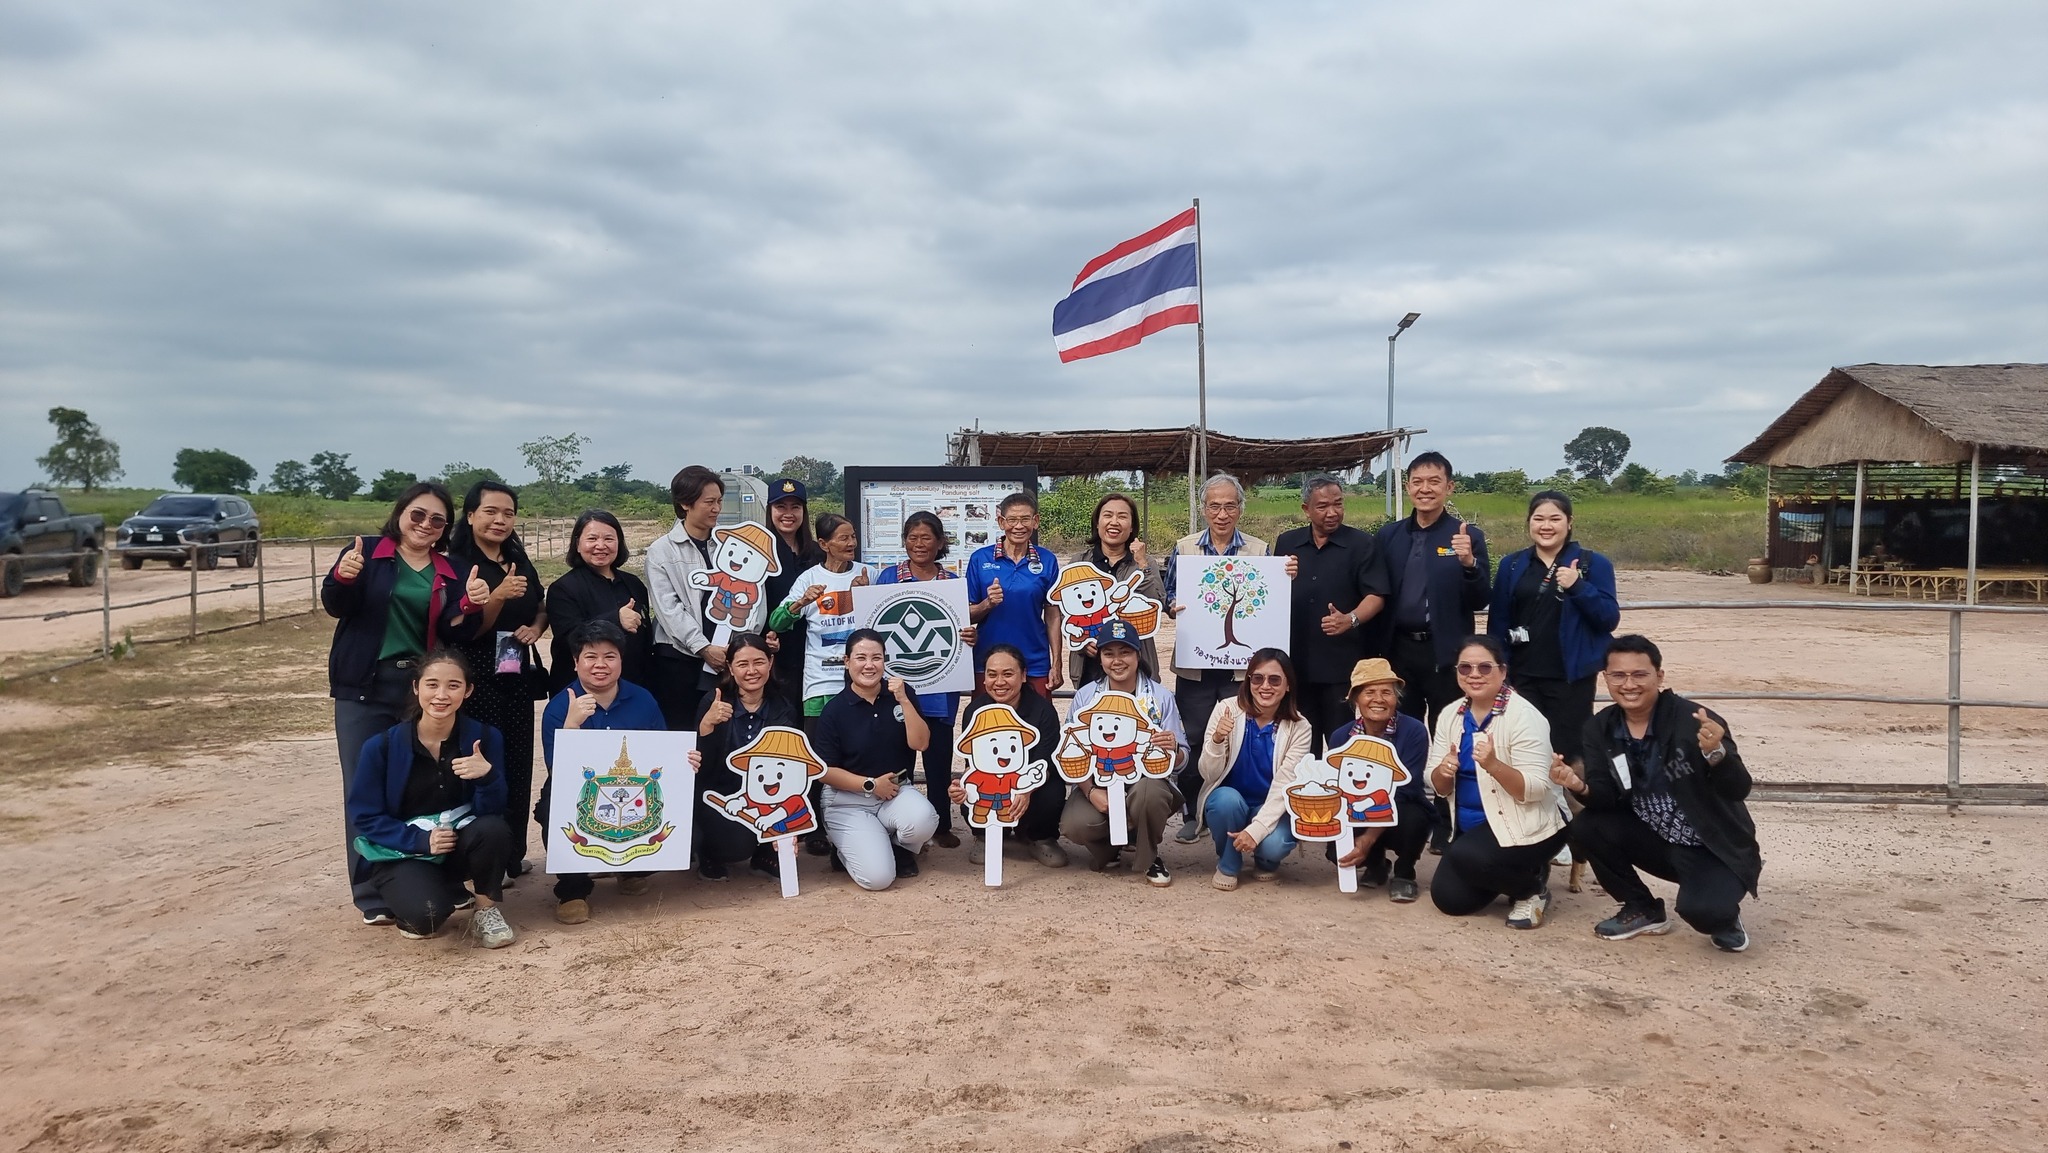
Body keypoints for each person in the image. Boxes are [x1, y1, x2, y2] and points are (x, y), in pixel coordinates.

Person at [324, 481, 486, 925]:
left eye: (437, 520)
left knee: (424, 784)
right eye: (418, 514)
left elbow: (455, 632)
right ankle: (370, 892)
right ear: (400, 513)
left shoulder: (451, 569)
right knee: (364, 784)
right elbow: (336, 605)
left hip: (421, 690)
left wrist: (470, 605)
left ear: (446, 528)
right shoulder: (367, 553)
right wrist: (343, 577)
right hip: (365, 685)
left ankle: (435, 878)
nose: (425, 524)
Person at [1553, 635, 1761, 952]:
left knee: (1703, 912)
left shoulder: (1696, 721)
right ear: (1605, 677)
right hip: (1655, 839)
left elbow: (1738, 789)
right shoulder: (1600, 727)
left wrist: (1717, 754)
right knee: (1586, 826)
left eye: (1640, 674)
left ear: (1659, 676)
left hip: (1713, 846)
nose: (1629, 684)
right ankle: (1642, 908)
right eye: (1618, 675)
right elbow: (1605, 798)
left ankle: (1724, 916)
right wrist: (1578, 786)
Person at [346, 649, 515, 947]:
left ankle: (485, 910)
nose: (441, 695)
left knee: (494, 829)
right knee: (427, 919)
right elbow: (365, 815)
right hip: (405, 852)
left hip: (459, 846)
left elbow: (493, 811)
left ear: (468, 691)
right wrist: (420, 841)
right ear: (416, 687)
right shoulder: (381, 747)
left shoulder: (486, 738)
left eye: (453, 686)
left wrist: (487, 777)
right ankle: (421, 891)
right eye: (432, 684)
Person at [1163, 473, 1296, 844]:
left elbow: (1272, 600)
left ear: (1240, 508)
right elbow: (1170, 594)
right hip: (1195, 664)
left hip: (1243, 669)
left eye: (1229, 506)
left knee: (1240, 734)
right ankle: (1194, 815)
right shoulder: (1184, 548)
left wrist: (1287, 577)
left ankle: (1235, 809)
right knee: (1193, 736)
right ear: (1203, 509)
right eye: (1214, 506)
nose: (1222, 514)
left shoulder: (1260, 550)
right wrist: (1173, 605)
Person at [1425, 636, 1570, 929]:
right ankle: (1511, 871)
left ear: (1503, 671)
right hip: (1471, 831)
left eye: (1484, 667)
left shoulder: (1525, 717)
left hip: (1527, 823)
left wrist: (1494, 766)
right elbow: (1438, 786)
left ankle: (1531, 889)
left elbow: (1535, 789)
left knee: (1467, 855)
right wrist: (1443, 771)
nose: (1474, 675)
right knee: (1449, 899)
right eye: (1465, 668)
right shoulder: (1451, 714)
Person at [446, 480, 547, 884]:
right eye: (490, 511)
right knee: (485, 762)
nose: (500, 520)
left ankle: (512, 854)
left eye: (508, 513)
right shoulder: (457, 565)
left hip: (515, 672)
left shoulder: (518, 558)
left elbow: (541, 604)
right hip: (476, 676)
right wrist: (498, 595)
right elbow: (469, 629)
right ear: (471, 515)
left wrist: (536, 628)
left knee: (519, 763)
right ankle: (484, 859)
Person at [537, 619, 668, 924]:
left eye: (610, 656)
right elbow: (558, 771)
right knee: (550, 808)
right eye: (590, 657)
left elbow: (663, 755)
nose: (600, 665)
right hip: (579, 788)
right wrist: (571, 726)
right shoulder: (559, 707)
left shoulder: (643, 699)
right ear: (575, 662)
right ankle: (573, 890)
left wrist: (685, 760)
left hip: (633, 788)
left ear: (621, 660)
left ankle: (631, 870)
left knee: (663, 805)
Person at [1488, 490, 1620, 769]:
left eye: (1554, 519)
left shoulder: (1593, 564)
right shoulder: (1512, 565)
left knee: (1570, 753)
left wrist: (1578, 586)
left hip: (1572, 678)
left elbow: (1608, 619)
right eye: (1538, 519)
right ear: (1529, 522)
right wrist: (1500, 670)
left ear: (1569, 522)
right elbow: (1498, 623)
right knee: (1524, 750)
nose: (1546, 526)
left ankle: (1575, 798)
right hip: (1522, 677)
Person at [875, 510, 977, 849]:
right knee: (897, 758)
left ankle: (941, 823)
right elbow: (874, 625)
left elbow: (959, 630)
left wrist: (969, 636)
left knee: (938, 759)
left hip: (940, 686)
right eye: (912, 537)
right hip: (896, 686)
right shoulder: (887, 578)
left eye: (926, 538)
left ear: (940, 542)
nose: (919, 544)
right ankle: (897, 825)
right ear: (904, 540)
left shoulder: (952, 582)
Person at [1061, 619, 1189, 886]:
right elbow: (1071, 751)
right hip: (1100, 781)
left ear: (1138, 655)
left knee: (1149, 794)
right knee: (1074, 824)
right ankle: (1110, 849)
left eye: (1125, 652)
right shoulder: (1086, 696)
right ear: (1100, 659)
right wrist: (1090, 791)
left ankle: (1148, 857)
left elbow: (1182, 760)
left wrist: (1174, 749)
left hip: (1146, 783)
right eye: (1109, 653)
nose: (1117, 661)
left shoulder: (1160, 697)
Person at [810, 630, 939, 890]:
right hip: (848, 800)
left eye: (876, 658)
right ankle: (844, 850)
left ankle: (898, 846)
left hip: (896, 790)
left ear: (884, 660)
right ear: (847, 662)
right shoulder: (834, 710)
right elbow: (825, 771)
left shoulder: (902, 694)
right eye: (861, 658)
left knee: (924, 820)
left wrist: (903, 700)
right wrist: (870, 784)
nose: (869, 665)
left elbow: (921, 743)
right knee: (878, 879)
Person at [1369, 453, 1491, 727]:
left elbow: (1480, 599)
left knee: (1449, 730)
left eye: (1434, 482)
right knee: (1400, 730)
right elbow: (1377, 592)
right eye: (1417, 482)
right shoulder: (1389, 536)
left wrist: (1469, 564)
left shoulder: (1467, 537)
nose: (1425, 489)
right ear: (1407, 486)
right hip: (1398, 652)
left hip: (1446, 652)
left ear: (1449, 487)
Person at [1276, 475, 1391, 752]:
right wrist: (1282, 575)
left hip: (1341, 665)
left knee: (1342, 742)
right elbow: (1271, 590)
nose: (1332, 512)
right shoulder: (1287, 543)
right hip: (1296, 663)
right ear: (1306, 509)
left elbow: (1377, 595)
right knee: (1302, 745)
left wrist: (1350, 619)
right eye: (1323, 506)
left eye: (1338, 504)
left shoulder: (1362, 544)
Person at [1191, 648, 1313, 890]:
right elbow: (1208, 774)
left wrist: (1256, 831)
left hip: (1270, 805)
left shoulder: (1300, 727)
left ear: (1288, 685)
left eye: (1274, 680)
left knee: (1275, 844)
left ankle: (1266, 860)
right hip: (1232, 803)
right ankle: (1228, 863)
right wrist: (1216, 741)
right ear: (1248, 681)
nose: (1265, 686)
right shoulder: (1227, 710)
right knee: (1225, 801)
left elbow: (1285, 785)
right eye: (1257, 678)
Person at [690, 632, 802, 881]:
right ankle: (708, 854)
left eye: (759, 662)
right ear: (730, 668)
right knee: (735, 846)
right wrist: (706, 726)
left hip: (766, 795)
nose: (752, 671)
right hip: (719, 794)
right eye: (742, 664)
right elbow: (698, 768)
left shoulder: (783, 707)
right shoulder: (714, 701)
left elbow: (790, 767)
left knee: (793, 814)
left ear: (770, 663)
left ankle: (764, 854)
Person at [645, 465, 749, 731]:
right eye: (709, 502)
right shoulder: (661, 551)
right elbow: (668, 609)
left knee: (721, 730)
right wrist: (702, 647)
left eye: (719, 501)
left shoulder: (730, 547)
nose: (717, 508)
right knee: (682, 731)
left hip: (723, 657)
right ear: (685, 504)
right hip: (678, 659)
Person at [950, 643, 1068, 869]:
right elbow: (972, 764)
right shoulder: (975, 711)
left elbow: (1046, 761)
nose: (999, 682)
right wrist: (962, 787)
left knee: (1052, 790)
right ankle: (985, 836)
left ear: (1023, 675)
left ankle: (1040, 837)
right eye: (992, 674)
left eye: (1007, 674)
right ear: (984, 678)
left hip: (1030, 782)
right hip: (991, 783)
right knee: (969, 788)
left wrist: (1026, 789)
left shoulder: (1042, 710)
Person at [1329, 659, 1434, 903]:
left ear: (1396, 698)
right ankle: (1376, 864)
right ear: (1355, 699)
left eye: (1387, 692)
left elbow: (1406, 788)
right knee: (1336, 848)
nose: (1378, 699)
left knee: (1414, 818)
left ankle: (1405, 872)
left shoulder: (1414, 731)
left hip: (1401, 806)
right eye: (1369, 692)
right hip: (1357, 808)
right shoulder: (1341, 737)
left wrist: (1369, 837)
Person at [768, 513, 874, 724]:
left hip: (863, 680)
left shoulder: (869, 574)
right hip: (820, 684)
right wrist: (802, 602)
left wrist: (866, 595)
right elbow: (776, 623)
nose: (851, 543)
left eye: (853, 537)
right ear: (824, 544)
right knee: (819, 743)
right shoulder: (809, 578)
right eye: (844, 538)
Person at [1056, 492, 1167, 690]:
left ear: (1132, 526)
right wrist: (1081, 642)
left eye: (1122, 516)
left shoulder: (1145, 562)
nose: (1114, 522)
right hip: (1090, 666)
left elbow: (1158, 601)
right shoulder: (1079, 562)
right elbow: (1066, 611)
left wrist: (1142, 563)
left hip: (1136, 664)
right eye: (1107, 515)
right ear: (1097, 523)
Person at [544, 509, 653, 693]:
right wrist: (616, 619)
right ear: (578, 544)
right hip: (581, 691)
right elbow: (568, 638)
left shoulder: (634, 584)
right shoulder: (563, 588)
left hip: (633, 688)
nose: (601, 546)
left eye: (609, 539)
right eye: (592, 539)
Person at [966, 491, 1063, 696]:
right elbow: (966, 615)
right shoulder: (979, 559)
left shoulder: (1047, 560)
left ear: (1035, 521)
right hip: (988, 662)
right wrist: (987, 604)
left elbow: (1053, 615)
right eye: (1012, 520)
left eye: (1025, 519)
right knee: (989, 716)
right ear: (1001, 522)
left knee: (1037, 716)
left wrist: (1057, 662)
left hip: (1035, 662)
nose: (1019, 526)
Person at [762, 477, 824, 713]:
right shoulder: (759, 555)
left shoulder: (818, 553)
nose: (788, 514)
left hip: (815, 651)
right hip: (776, 651)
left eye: (795, 507)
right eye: (781, 507)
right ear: (770, 510)